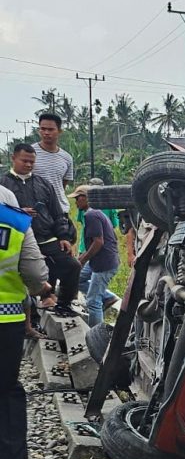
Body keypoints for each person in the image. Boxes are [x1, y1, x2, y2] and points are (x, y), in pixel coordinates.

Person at [1, 183, 55, 459]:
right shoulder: (16, 222)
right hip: (6, 324)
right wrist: (43, 289)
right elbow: (35, 274)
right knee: (7, 392)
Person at [1, 143, 79, 317]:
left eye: (31, 162)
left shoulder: (43, 184)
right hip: (18, 241)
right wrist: (19, 213)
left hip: (46, 237)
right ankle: (33, 318)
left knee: (72, 266)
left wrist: (64, 237)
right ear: (13, 159)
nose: (28, 165)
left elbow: (58, 212)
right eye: (24, 161)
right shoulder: (3, 185)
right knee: (24, 275)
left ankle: (63, 305)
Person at [69, 186, 120, 327]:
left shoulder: (91, 215)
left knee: (93, 300)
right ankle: (108, 297)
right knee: (77, 279)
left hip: (104, 264)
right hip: (100, 261)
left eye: (77, 199)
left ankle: (95, 335)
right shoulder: (95, 214)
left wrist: (82, 259)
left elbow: (98, 242)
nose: (76, 203)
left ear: (86, 198)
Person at [31, 113, 73, 216]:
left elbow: (62, 186)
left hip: (60, 211)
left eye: (50, 129)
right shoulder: (30, 154)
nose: (46, 133)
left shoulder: (67, 158)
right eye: (43, 129)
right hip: (36, 211)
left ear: (59, 131)